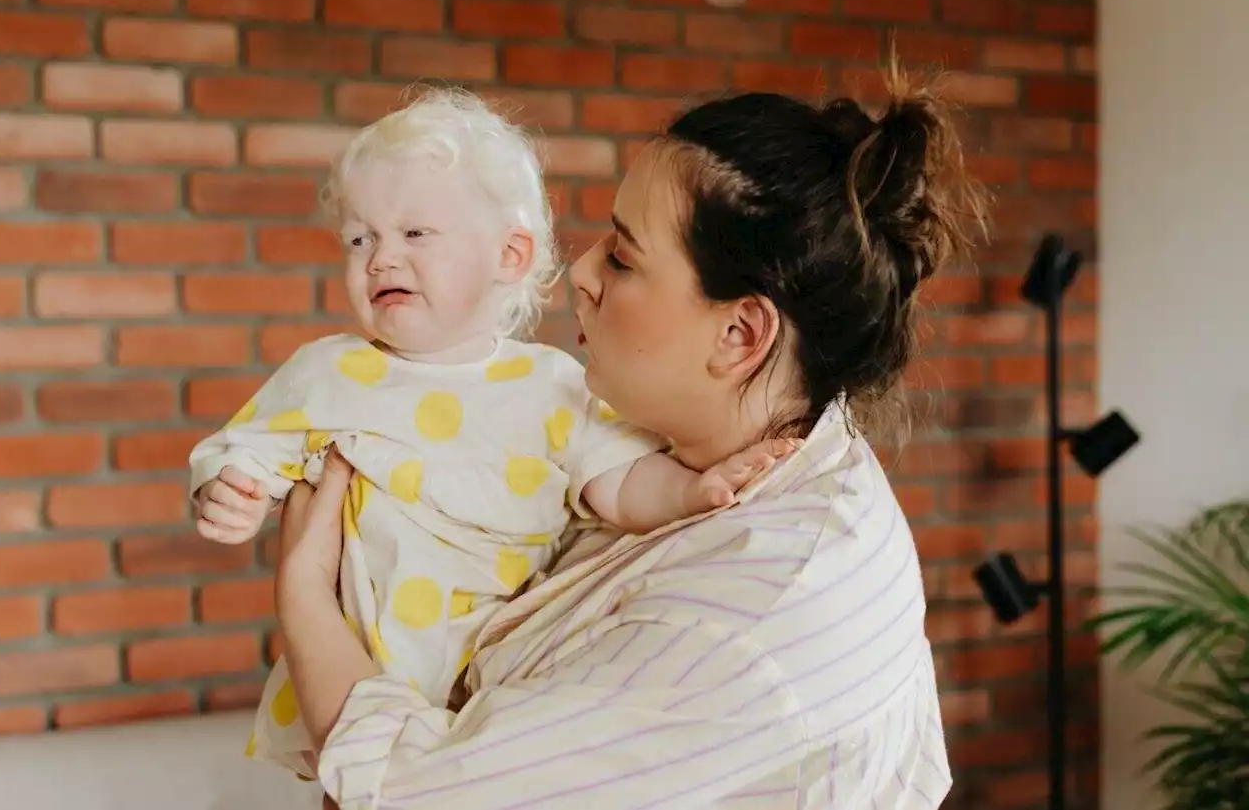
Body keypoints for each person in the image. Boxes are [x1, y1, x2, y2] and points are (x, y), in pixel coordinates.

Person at [274, 64, 990, 809]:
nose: (580, 271)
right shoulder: (675, 455)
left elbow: (416, 796)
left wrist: (305, 591)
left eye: (622, 255)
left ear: (740, 332)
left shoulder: (759, 603)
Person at [187, 90, 788, 778]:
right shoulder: (328, 371)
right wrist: (226, 490)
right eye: (361, 238)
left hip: (487, 684)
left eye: (415, 234)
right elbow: (244, 450)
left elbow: (620, 483)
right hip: (350, 677)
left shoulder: (553, 387)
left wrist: (692, 489)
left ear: (509, 255)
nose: (381, 258)